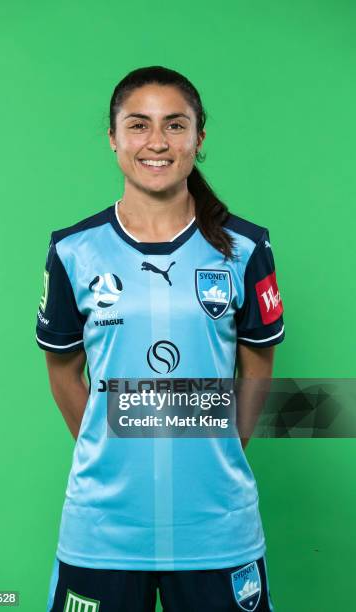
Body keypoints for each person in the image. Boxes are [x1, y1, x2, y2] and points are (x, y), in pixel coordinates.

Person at [36, 65, 284, 612]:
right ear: (113, 137)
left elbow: (259, 371)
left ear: (199, 136)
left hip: (217, 527)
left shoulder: (245, 248)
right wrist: (113, 440)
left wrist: (215, 446)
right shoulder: (73, 251)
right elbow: (63, 375)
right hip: (103, 530)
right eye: (138, 125)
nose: (156, 142)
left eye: (175, 125)